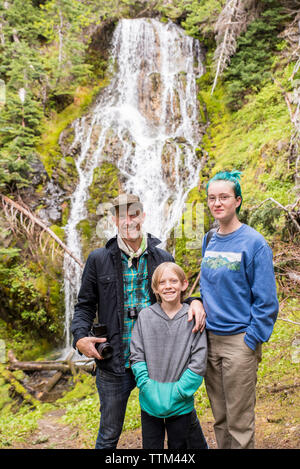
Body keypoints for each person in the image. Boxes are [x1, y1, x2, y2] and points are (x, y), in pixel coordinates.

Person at [71, 194, 207, 449]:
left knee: (188, 426)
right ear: (114, 220)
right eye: (122, 215)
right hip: (114, 363)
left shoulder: (162, 256)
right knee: (109, 433)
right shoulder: (99, 259)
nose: (129, 220)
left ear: (143, 216)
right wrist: (79, 337)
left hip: (160, 362)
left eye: (134, 214)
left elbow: (176, 297)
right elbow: (85, 306)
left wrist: (196, 301)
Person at [198, 169, 279, 449]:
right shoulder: (209, 239)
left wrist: (251, 339)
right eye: (212, 198)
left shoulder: (254, 243)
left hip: (239, 342)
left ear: (238, 201)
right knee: (220, 418)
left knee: (240, 423)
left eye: (224, 197)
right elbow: (208, 286)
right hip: (209, 341)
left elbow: (267, 300)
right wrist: (196, 302)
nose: (217, 203)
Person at [130, 262, 208, 449]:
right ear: (155, 288)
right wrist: (147, 386)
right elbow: (136, 354)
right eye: (162, 282)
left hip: (180, 403)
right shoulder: (145, 316)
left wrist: (180, 391)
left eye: (173, 281)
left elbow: (199, 360)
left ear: (183, 284)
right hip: (149, 402)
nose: (168, 286)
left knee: (179, 447)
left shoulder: (193, 317)